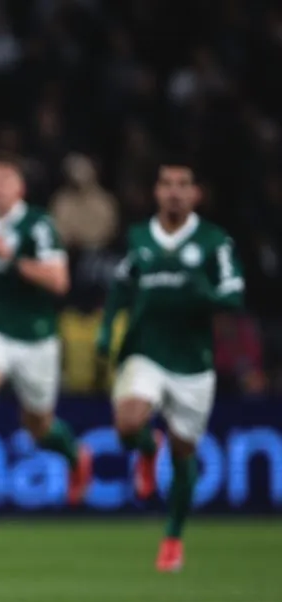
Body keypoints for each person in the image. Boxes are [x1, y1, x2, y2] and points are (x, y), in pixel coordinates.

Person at [96, 160, 243, 572]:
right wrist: (107, 329)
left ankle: (173, 537)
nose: (174, 191)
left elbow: (235, 296)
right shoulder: (140, 237)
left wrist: (206, 293)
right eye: (166, 184)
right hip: (146, 351)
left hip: (193, 364)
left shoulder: (215, 242)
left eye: (182, 184)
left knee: (184, 454)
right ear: (156, 192)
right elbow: (121, 287)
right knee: (127, 423)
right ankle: (145, 448)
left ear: (196, 194)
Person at [0, 153, 92, 533]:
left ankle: (76, 456)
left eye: (2, 180)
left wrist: (13, 259)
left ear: (19, 187)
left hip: (36, 338)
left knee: (38, 426)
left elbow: (59, 281)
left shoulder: (38, 225)